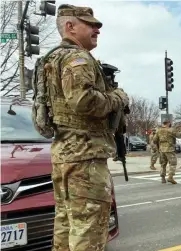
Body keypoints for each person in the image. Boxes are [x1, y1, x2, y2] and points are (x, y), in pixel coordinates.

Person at [48, 4, 129, 251]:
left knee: (66, 227)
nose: (97, 30)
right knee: (89, 233)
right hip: (85, 157)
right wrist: (119, 98)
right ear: (70, 27)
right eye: (91, 24)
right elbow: (84, 102)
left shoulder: (52, 58)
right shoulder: (77, 58)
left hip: (65, 153)